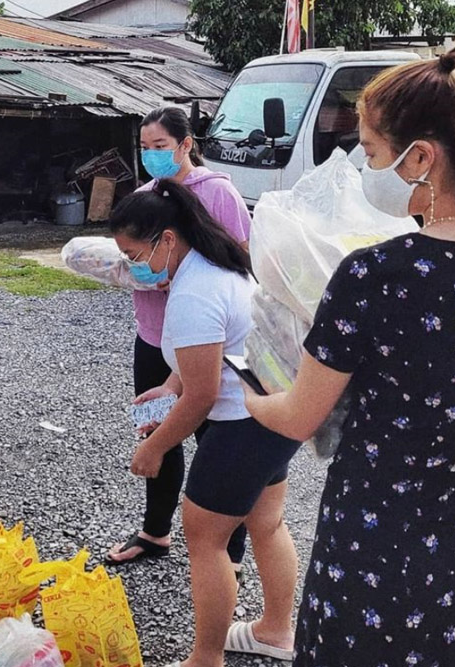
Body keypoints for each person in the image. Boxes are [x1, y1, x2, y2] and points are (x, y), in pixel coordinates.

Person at [244, 33, 455, 666]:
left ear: (420, 158)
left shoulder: (373, 275)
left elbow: (300, 416)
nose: (362, 168)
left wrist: (247, 391)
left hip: (374, 547)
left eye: (369, 152)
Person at [110, 181, 301, 666]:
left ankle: (205, 659)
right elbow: (213, 353)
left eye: (133, 255)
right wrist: (170, 385)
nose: (133, 266)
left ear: (167, 239)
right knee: (266, 522)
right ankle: (276, 631)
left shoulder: (194, 292)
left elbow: (203, 396)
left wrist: (154, 447)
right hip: (271, 414)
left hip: (241, 425)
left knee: (205, 538)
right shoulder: (217, 264)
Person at [107, 107, 253, 569]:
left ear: (186, 144)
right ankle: (156, 530)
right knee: (157, 424)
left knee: (215, 439)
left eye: (160, 147)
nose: (151, 156)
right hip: (157, 337)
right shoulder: (146, 196)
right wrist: (135, 273)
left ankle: (226, 548)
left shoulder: (217, 194)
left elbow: (241, 258)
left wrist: (179, 282)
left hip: (207, 336)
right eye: (144, 148)